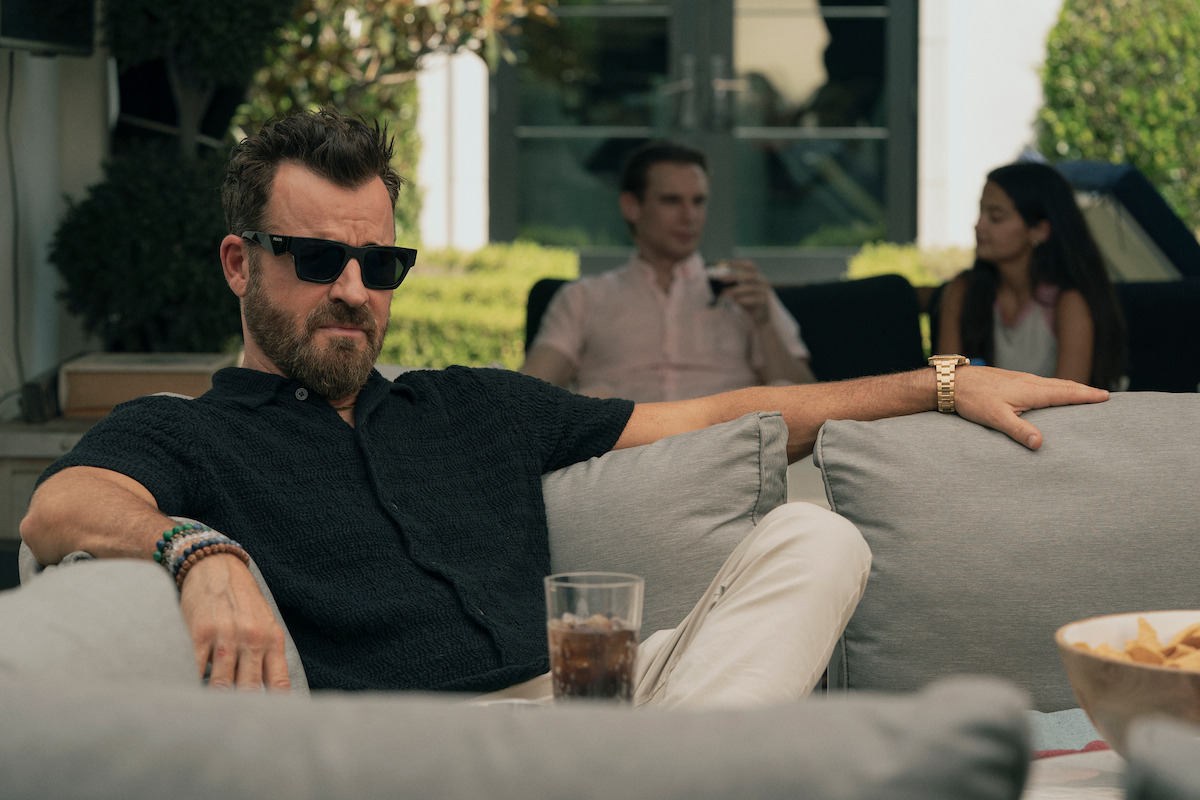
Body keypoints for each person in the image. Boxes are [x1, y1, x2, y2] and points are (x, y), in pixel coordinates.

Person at [20, 108, 1107, 707]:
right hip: (424, 754)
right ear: (239, 263)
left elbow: (737, 411)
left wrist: (941, 381)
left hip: (597, 706)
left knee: (815, 537)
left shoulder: (476, 406)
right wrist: (198, 548)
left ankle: (639, 782)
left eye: (380, 260)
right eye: (315, 257)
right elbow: (59, 505)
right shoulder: (192, 433)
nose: (354, 289)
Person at [520, 140, 818, 401]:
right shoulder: (583, 298)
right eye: (671, 201)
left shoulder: (745, 291)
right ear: (631, 207)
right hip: (622, 450)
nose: (690, 216)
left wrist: (764, 322)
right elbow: (530, 390)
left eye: (698, 201)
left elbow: (807, 400)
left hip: (725, 447)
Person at [936, 161, 1127, 389]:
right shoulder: (963, 290)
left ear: (1040, 231)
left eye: (996, 216)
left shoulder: (1068, 303)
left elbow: (1067, 404)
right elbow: (944, 388)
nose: (979, 225)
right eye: (981, 211)